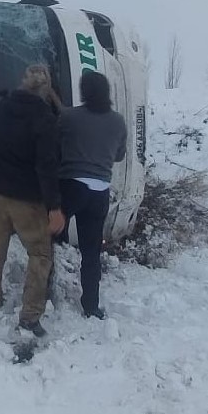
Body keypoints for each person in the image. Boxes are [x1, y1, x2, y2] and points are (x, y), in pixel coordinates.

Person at [0, 65, 65, 336]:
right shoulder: (43, 117)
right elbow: (47, 165)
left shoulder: (2, 108)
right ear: (46, 91)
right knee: (40, 254)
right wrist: (54, 207)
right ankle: (29, 317)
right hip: (26, 200)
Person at [57, 70, 128, 319]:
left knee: (49, 238)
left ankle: (44, 292)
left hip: (71, 187)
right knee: (91, 252)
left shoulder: (71, 117)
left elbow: (56, 134)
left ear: (84, 92)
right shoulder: (118, 122)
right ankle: (91, 306)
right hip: (100, 193)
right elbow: (119, 155)